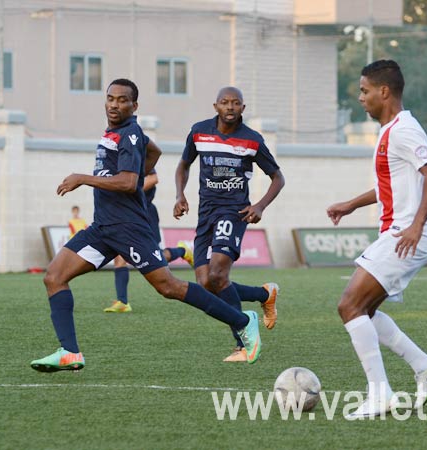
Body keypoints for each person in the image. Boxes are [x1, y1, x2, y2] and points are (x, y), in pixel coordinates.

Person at [30, 79, 262, 373]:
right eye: (110, 98)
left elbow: (127, 183)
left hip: (128, 227)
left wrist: (84, 178)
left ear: (134, 106)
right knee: (54, 276)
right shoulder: (120, 132)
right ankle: (70, 353)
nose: (114, 104)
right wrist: (138, 170)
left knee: (169, 287)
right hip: (103, 227)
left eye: (122, 100)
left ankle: (243, 321)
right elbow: (155, 152)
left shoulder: (128, 134)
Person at [326, 60, 427, 419]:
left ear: (384, 91)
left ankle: (380, 395)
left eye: (364, 91)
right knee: (366, 309)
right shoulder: (390, 130)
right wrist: (350, 204)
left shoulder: (404, 130)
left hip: (406, 235)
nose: (360, 98)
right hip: (399, 233)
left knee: (349, 306)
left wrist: (416, 225)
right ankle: (424, 364)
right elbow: (389, 186)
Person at [174, 86, 285, 362]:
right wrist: (180, 194)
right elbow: (184, 164)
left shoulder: (252, 140)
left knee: (218, 275)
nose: (231, 107)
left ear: (243, 108)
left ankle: (244, 343)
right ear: (216, 106)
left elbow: (278, 177)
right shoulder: (199, 132)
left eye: (236, 103)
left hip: (234, 213)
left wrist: (259, 205)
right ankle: (264, 294)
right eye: (225, 102)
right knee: (205, 282)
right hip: (205, 213)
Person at [104, 164, 193, 313]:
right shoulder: (116, 157)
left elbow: (153, 178)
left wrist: (129, 189)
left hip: (145, 213)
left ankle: (182, 251)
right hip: (126, 214)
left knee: (156, 258)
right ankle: (122, 301)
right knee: (119, 255)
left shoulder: (138, 152)